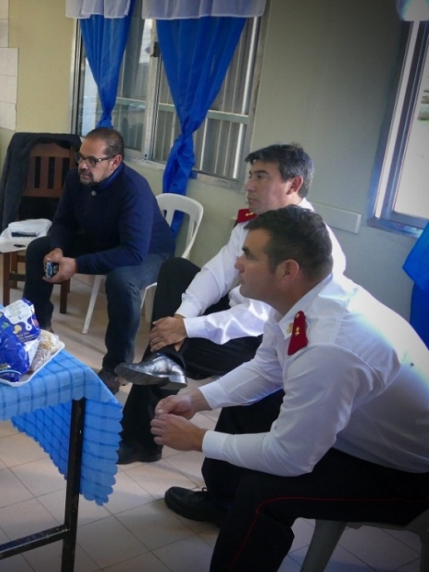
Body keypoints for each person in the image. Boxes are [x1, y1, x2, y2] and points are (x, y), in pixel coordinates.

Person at [150, 206, 429, 572]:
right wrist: (196, 398)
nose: (237, 264)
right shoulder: (303, 302)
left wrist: (199, 441)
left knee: (264, 491)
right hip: (368, 431)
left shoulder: (331, 343)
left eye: (249, 255)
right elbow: (266, 369)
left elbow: (291, 456)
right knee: (251, 407)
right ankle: (219, 503)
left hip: (406, 473)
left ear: (287, 270)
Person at [114, 144, 347, 465]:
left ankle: (147, 422)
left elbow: (259, 317)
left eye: (261, 177)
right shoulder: (256, 224)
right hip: (239, 317)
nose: (249, 186)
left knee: (170, 350)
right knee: (177, 271)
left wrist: (186, 328)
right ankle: (167, 359)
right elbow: (217, 273)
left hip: (267, 339)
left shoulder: (311, 242)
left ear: (293, 185)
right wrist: (181, 318)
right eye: (250, 176)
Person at [22, 127, 174, 393]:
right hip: (102, 239)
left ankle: (116, 367)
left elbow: (133, 253)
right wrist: (58, 248)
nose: (83, 165)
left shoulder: (133, 189)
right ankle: (40, 330)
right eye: (81, 157)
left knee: (121, 280)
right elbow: (64, 222)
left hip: (149, 252)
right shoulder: (75, 179)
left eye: (92, 160)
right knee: (38, 249)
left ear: (115, 162)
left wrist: (77, 265)